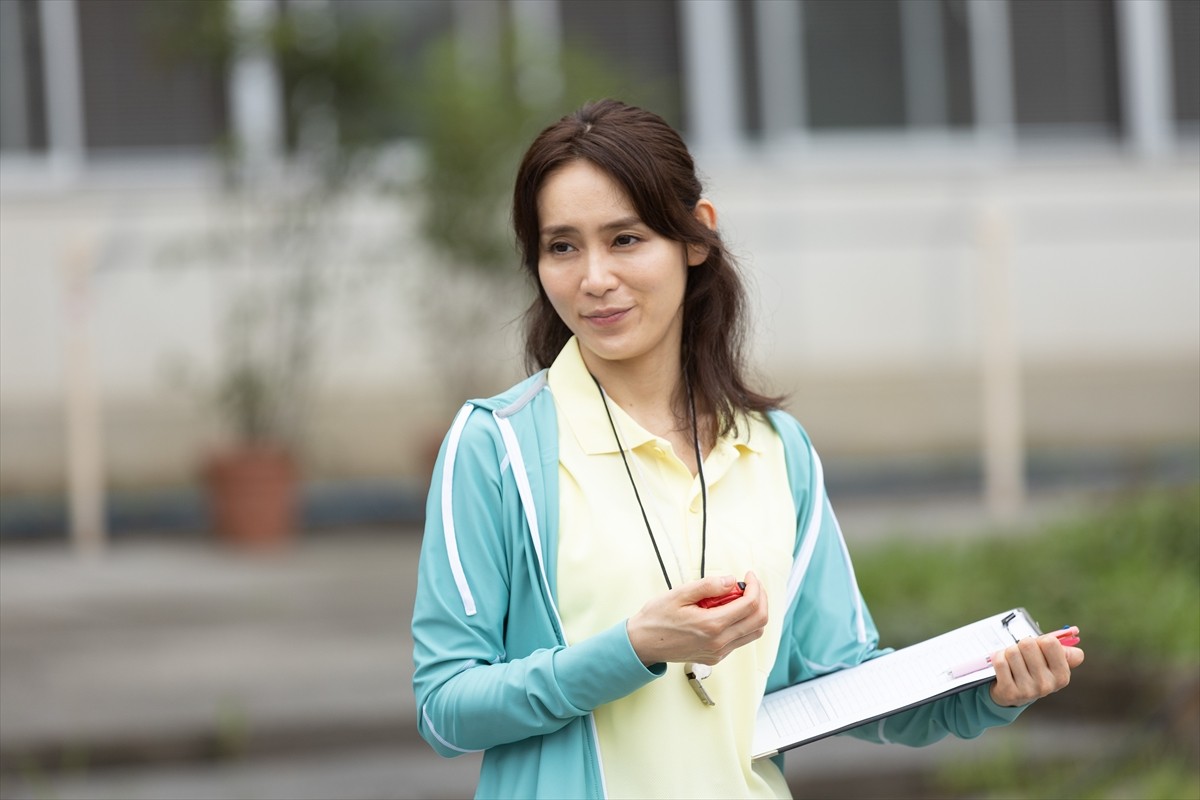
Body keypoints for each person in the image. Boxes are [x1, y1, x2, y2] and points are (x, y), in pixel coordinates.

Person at [411, 99, 1084, 799]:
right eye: (562, 246)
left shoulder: (775, 450)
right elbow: (445, 709)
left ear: (696, 238)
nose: (594, 278)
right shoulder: (497, 448)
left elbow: (836, 681)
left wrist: (990, 690)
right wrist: (634, 649)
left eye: (626, 238)